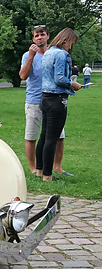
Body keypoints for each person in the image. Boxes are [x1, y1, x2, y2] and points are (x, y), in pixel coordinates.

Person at [19, 25, 70, 178]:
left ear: (48, 36)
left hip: (52, 99)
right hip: (34, 99)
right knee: (32, 136)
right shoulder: (27, 55)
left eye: (42, 34)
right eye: (36, 36)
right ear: (33, 39)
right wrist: (31, 56)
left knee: (58, 136)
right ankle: (34, 168)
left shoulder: (53, 54)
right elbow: (23, 76)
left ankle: (57, 167)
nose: (39, 37)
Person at [36, 28, 82, 182]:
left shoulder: (48, 52)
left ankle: (40, 170)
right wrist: (72, 84)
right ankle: (48, 176)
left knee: (44, 135)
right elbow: (60, 78)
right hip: (57, 99)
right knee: (52, 138)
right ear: (65, 40)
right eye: (71, 43)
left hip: (45, 97)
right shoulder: (62, 54)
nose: (71, 47)